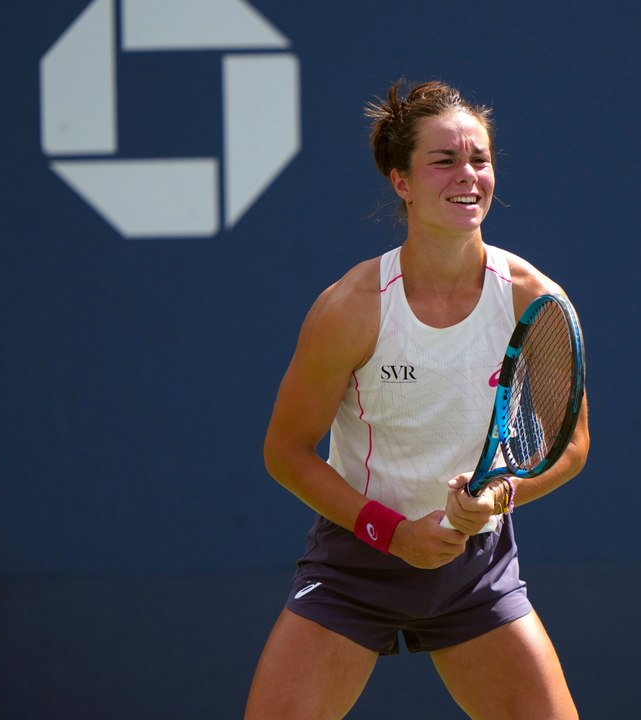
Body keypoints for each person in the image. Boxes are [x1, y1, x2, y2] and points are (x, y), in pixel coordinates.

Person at [243, 79, 589, 720]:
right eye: (444, 160)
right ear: (401, 181)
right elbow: (286, 451)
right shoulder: (352, 308)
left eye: (479, 159)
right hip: (357, 564)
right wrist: (394, 533)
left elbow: (569, 445)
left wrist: (498, 497)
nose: (468, 175)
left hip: (475, 569)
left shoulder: (532, 299)